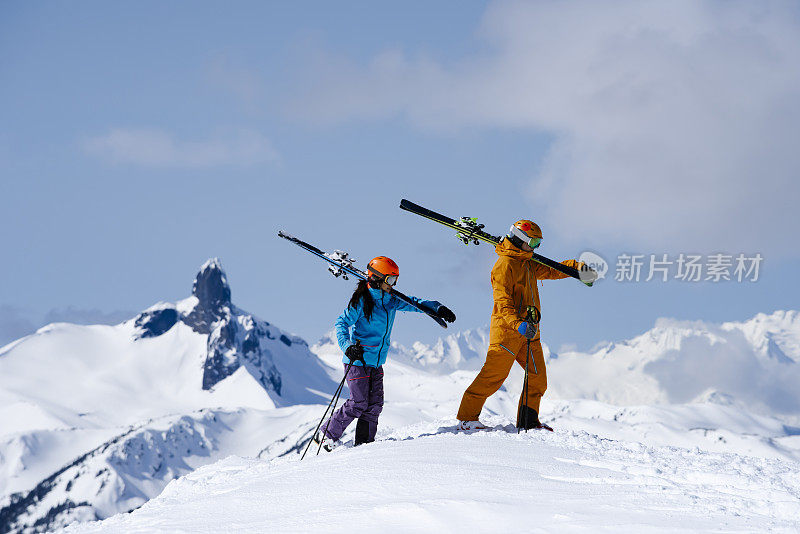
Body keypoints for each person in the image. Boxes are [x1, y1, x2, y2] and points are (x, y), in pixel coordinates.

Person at [456, 220, 590, 431]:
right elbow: (503, 303)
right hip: (508, 332)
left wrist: (577, 268)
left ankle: (528, 422)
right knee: (493, 376)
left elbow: (552, 270)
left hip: (530, 332)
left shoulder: (528, 262)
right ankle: (467, 418)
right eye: (534, 242)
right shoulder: (504, 266)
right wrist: (517, 324)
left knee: (538, 379)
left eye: (538, 243)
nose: (536, 247)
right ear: (521, 239)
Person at [316, 256, 456, 450]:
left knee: (374, 405)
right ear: (377, 278)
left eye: (396, 280)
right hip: (357, 360)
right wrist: (347, 346)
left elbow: (414, 303)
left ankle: (364, 444)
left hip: (376, 361)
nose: (394, 284)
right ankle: (326, 435)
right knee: (358, 402)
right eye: (390, 280)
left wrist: (437, 308)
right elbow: (341, 324)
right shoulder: (362, 300)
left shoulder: (391, 301)